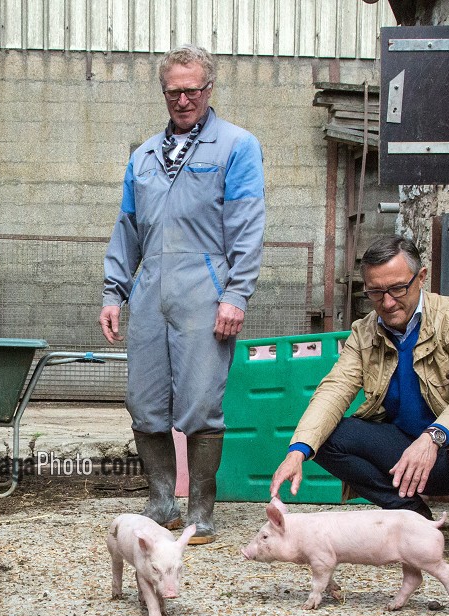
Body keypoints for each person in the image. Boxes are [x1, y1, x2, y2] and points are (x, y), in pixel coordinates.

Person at [267, 236, 449, 563]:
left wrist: (434, 436)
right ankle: (411, 514)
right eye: (375, 293)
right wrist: (298, 450)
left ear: (421, 278)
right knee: (328, 440)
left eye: (397, 289)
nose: (387, 302)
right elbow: (334, 389)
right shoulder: (365, 332)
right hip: (403, 447)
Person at [100, 45, 266, 545]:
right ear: (164, 92)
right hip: (150, 289)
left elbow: (247, 225)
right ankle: (161, 500)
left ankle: (201, 509)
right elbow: (127, 228)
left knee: (199, 403)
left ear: (209, 90)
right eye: (174, 90)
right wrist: (115, 291)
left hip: (206, 288)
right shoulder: (144, 156)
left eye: (193, 89)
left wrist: (236, 294)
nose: (184, 99)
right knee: (144, 401)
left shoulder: (236, 146)